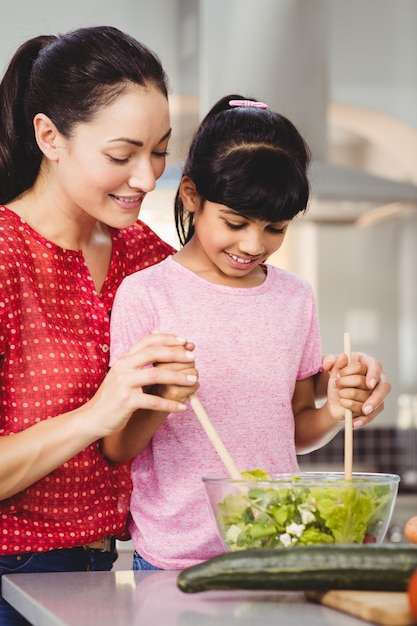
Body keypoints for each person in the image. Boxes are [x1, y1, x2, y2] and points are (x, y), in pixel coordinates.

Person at [105, 95, 391, 572]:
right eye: (235, 223)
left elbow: (296, 428)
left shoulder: (295, 298)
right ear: (192, 196)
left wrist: (336, 409)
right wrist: (165, 397)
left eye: (275, 228)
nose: (254, 245)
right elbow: (116, 448)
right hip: (176, 559)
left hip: (275, 548)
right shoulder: (146, 295)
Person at [0, 26, 199, 625]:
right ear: (49, 137)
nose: (146, 178)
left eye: (160, 150)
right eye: (122, 155)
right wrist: (96, 414)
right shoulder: (5, 254)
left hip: (106, 573)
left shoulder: (144, 254)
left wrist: (323, 387)